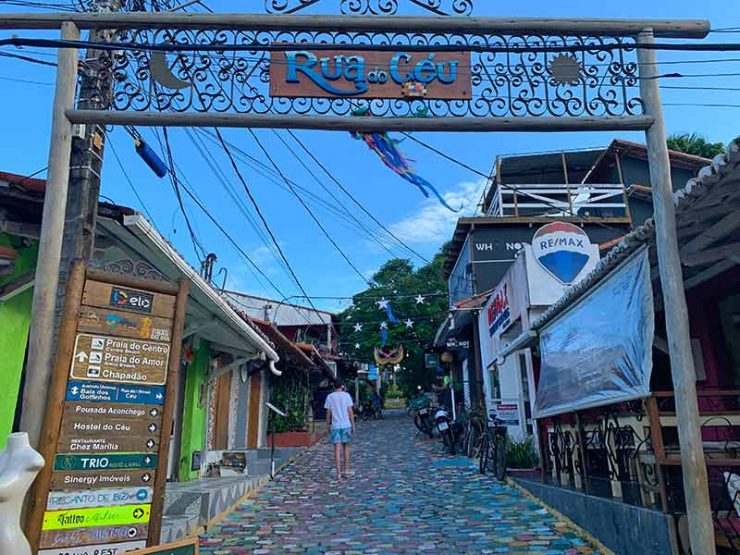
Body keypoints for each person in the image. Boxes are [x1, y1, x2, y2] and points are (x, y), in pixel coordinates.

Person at [324, 379, 355, 480]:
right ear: (342, 385)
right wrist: (353, 424)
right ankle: (346, 470)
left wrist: (328, 424)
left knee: (337, 449)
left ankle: (338, 473)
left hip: (335, 426)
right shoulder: (346, 396)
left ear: (333, 386)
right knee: (347, 447)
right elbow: (350, 411)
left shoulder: (330, 397)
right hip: (346, 425)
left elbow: (328, 412)